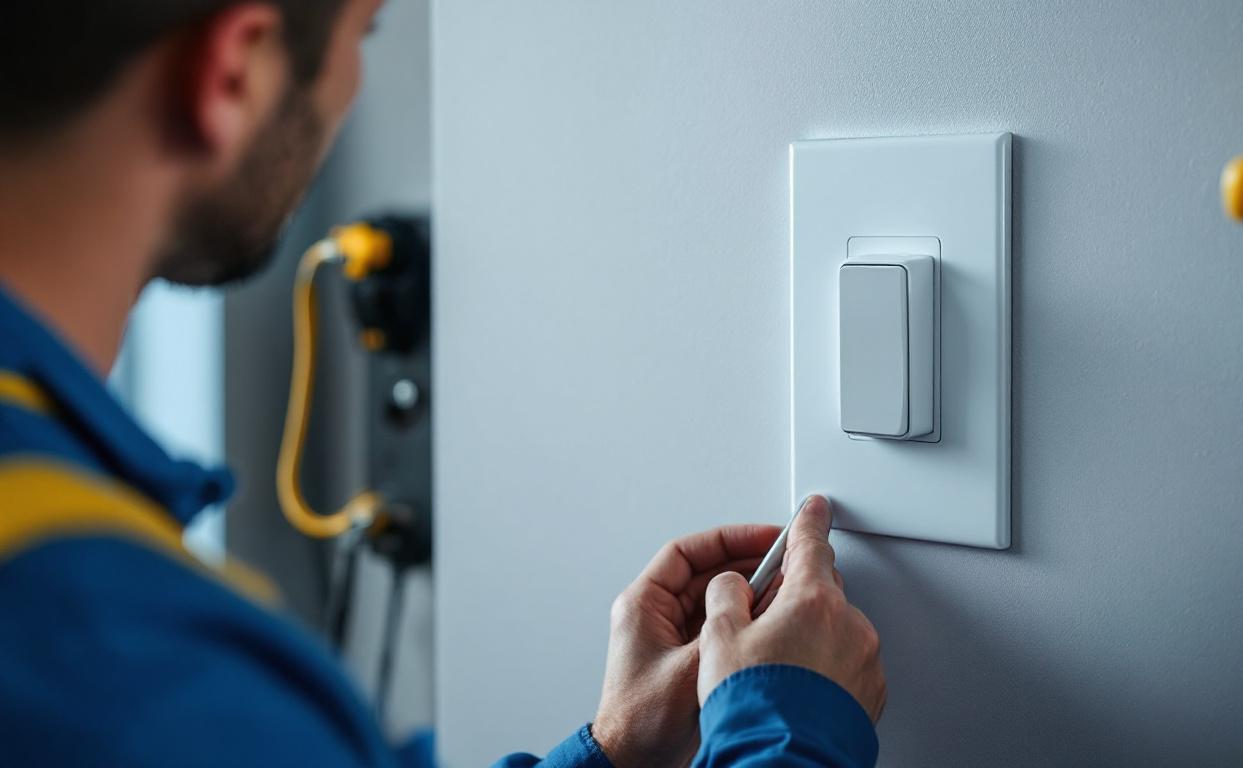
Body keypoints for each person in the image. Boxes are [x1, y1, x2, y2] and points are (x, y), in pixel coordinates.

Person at [0, 1, 887, 766]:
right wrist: (787, 731)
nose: (350, 87)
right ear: (233, 71)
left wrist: (612, 750)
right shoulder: (138, 673)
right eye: (366, 33)